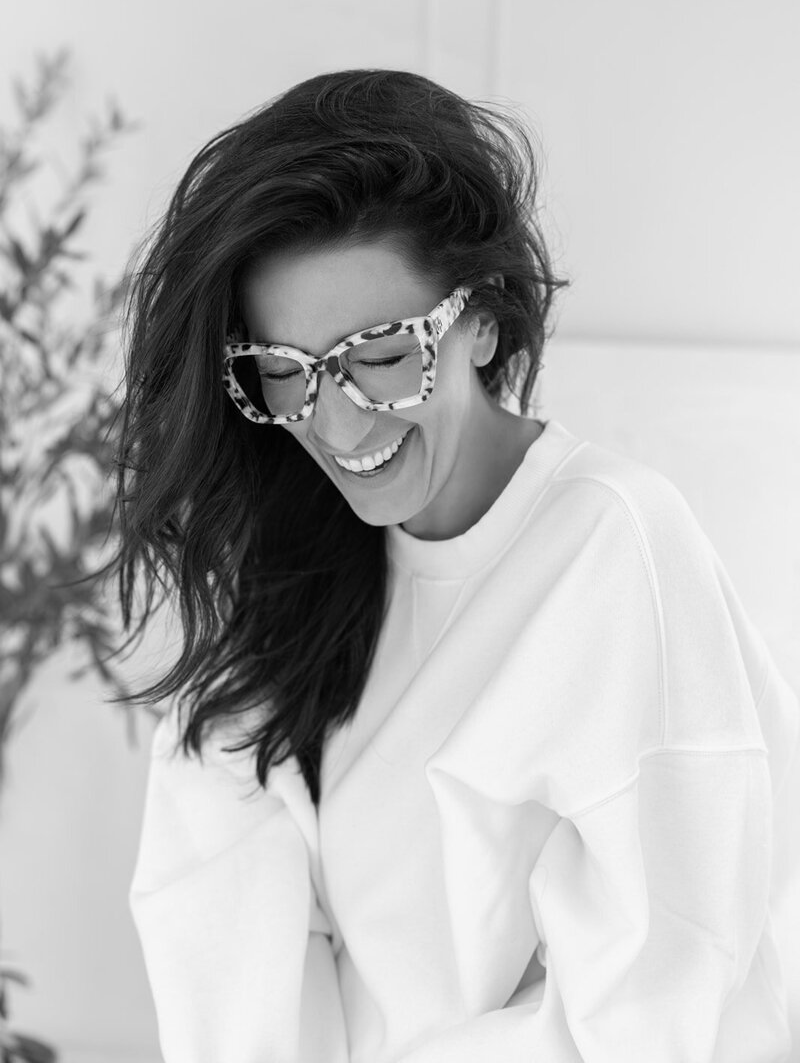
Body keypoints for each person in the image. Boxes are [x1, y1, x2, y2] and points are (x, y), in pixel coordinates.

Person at [115, 69, 799, 1062]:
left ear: (481, 320)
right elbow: (220, 950)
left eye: (380, 357)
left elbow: (666, 1004)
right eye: (287, 374)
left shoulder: (611, 551)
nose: (335, 423)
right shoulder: (287, 573)